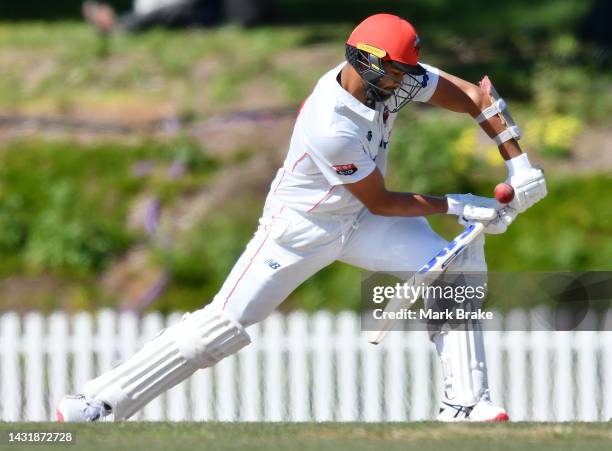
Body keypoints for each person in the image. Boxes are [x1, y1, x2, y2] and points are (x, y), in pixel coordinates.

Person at [57, 13, 546, 422]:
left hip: (361, 222)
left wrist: (518, 165)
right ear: (365, 63)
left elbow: (473, 97)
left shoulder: (392, 74)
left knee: (454, 269)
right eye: (395, 75)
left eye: (405, 73)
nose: (404, 85)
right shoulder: (330, 124)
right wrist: (459, 204)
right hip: (300, 229)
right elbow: (381, 200)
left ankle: (464, 403)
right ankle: (98, 402)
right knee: (220, 328)